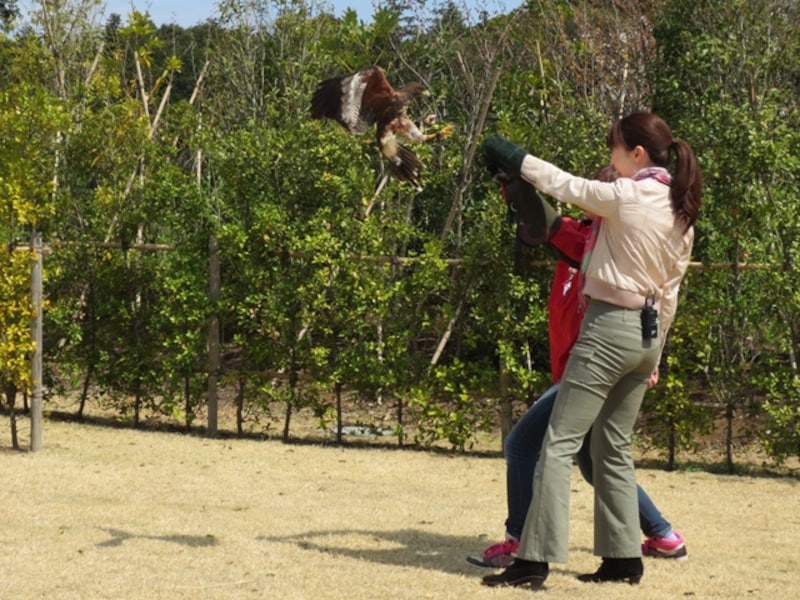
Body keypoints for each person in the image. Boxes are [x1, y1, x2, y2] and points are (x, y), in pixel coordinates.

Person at [480, 111, 701, 589]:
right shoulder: (679, 211)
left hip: (609, 327)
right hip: (644, 336)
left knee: (558, 443)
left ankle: (532, 561)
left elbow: (565, 186)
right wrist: (655, 354)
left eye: (615, 148)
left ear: (637, 154)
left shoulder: (630, 196)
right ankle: (624, 561)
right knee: (612, 450)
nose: (611, 157)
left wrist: (515, 157)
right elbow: (670, 292)